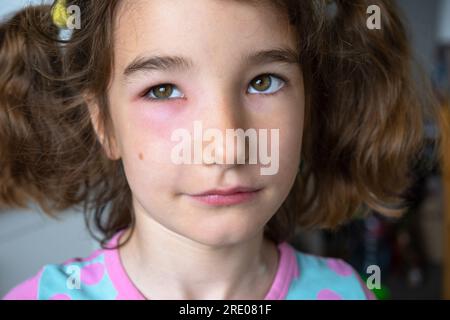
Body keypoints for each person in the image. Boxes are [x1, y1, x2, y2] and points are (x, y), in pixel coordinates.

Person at [0, 0, 440, 300]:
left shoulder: (349, 292)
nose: (227, 146)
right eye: (163, 90)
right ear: (105, 125)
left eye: (263, 81)